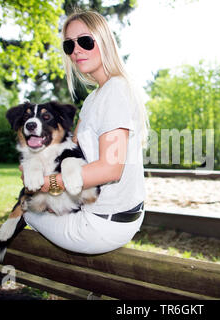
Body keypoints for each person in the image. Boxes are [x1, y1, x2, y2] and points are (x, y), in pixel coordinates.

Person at [21, 10, 149, 255]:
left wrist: (47, 184)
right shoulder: (94, 98)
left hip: (102, 224)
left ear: (104, 41)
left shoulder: (115, 90)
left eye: (85, 41)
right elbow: (68, 150)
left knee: (26, 211)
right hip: (107, 214)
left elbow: (110, 168)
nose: (76, 50)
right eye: (69, 45)